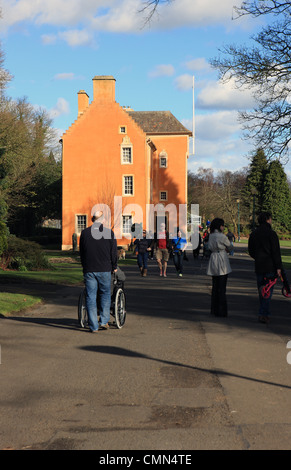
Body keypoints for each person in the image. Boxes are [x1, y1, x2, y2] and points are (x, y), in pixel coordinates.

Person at [79, 211, 118, 332]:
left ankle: (93, 326)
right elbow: (113, 252)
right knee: (105, 294)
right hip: (104, 268)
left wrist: (84, 266)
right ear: (103, 220)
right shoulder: (108, 233)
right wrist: (114, 266)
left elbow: (82, 252)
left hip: (90, 269)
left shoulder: (85, 233)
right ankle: (104, 321)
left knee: (91, 297)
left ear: (92, 220)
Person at [248, 211, 282, 324]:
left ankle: (263, 313)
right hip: (270, 266)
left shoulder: (254, 234)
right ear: (268, 220)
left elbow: (251, 250)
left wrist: (257, 257)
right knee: (268, 291)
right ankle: (264, 313)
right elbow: (276, 252)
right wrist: (278, 267)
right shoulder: (272, 234)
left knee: (262, 289)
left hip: (259, 265)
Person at [206, 218, 232, 317]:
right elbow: (230, 246)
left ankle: (214, 309)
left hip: (213, 258)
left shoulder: (211, 236)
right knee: (222, 287)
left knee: (215, 286)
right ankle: (222, 310)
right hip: (221, 258)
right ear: (220, 226)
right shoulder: (222, 236)